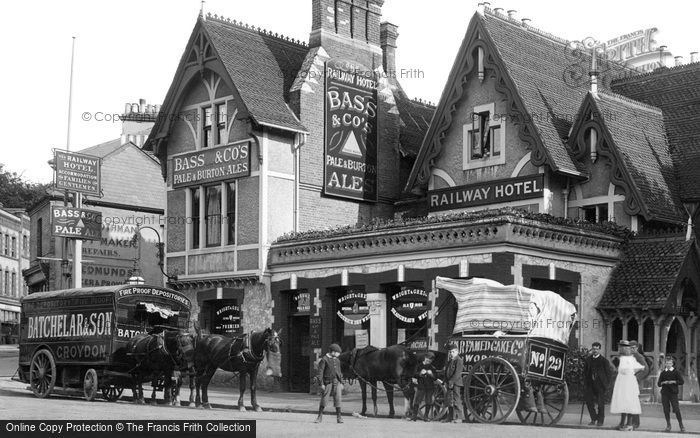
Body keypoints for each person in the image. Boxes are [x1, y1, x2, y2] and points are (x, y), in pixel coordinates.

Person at [610, 340, 645, 431]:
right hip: (622, 382)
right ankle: (622, 423)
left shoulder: (630, 359)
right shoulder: (621, 358)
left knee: (629, 401)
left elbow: (641, 368)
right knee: (622, 401)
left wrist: (634, 375)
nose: (619, 349)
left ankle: (629, 423)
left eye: (620, 347)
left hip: (628, 382)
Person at [583, 341, 613, 426]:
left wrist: (606, 385)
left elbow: (608, 374)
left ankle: (600, 421)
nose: (595, 350)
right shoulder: (588, 360)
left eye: (597, 349)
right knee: (589, 402)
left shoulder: (604, 361)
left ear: (600, 349)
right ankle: (593, 418)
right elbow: (585, 372)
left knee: (600, 404)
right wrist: (585, 382)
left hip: (600, 385)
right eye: (594, 348)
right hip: (590, 384)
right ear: (592, 349)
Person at [314, 343, 344, 424]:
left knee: (338, 398)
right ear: (333, 352)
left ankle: (339, 417)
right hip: (327, 382)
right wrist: (321, 384)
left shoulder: (337, 360)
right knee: (324, 399)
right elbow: (320, 372)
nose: (338, 354)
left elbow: (339, 372)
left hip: (336, 382)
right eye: (338, 352)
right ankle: (319, 416)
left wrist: (341, 382)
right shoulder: (324, 359)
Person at [658, 356, 685, 433]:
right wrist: (663, 382)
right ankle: (668, 425)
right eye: (667, 363)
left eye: (670, 363)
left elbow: (682, 381)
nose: (668, 364)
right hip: (665, 393)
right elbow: (659, 384)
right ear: (665, 364)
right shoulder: (663, 373)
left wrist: (674, 382)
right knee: (666, 410)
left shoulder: (676, 372)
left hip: (673, 393)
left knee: (676, 409)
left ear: (672, 364)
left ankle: (681, 425)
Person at [411, 351, 439, 421]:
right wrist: (420, 373)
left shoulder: (432, 367)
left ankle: (426, 416)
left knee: (428, 401)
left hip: (429, 387)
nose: (428, 362)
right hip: (421, 386)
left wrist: (431, 374)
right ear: (425, 358)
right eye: (427, 360)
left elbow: (435, 377)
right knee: (417, 401)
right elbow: (414, 374)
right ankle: (414, 416)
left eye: (430, 361)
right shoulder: (419, 366)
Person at [628, 340, 649, 430]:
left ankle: (636, 422)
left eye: (633, 348)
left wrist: (637, 378)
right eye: (630, 348)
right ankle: (629, 422)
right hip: (628, 382)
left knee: (634, 402)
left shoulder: (638, 356)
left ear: (636, 348)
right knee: (628, 402)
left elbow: (646, 369)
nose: (632, 349)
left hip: (634, 382)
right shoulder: (628, 356)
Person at [442, 342, 464, 423]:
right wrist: (445, 381)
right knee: (449, 400)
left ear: (457, 352)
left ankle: (459, 418)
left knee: (456, 399)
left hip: (456, 383)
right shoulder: (450, 360)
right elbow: (446, 371)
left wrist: (451, 382)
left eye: (453, 352)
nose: (451, 353)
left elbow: (457, 373)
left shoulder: (459, 360)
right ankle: (450, 417)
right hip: (449, 383)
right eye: (450, 352)